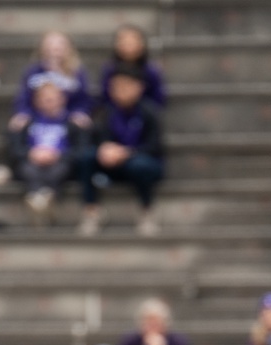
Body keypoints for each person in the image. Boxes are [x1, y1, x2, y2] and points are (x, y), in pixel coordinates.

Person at [78, 64, 164, 237]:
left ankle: (146, 212)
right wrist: (105, 149)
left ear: (139, 87)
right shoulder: (106, 112)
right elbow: (97, 139)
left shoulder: (149, 112)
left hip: (142, 162)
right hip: (113, 163)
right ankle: (92, 211)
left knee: (140, 166)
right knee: (87, 157)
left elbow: (154, 146)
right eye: (116, 87)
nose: (120, 91)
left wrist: (126, 152)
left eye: (125, 86)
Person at [10, 80, 79, 224]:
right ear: (36, 101)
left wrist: (58, 155)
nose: (48, 101)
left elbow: (79, 149)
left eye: (52, 98)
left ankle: (40, 200)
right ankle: (43, 200)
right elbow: (15, 148)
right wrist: (31, 153)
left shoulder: (72, 123)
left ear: (62, 99)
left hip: (60, 162)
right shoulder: (26, 122)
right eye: (44, 98)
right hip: (32, 162)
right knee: (28, 170)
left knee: (59, 170)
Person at [11, 32, 95, 136]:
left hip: (67, 119)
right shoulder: (33, 71)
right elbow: (24, 97)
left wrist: (80, 112)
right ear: (42, 48)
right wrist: (23, 113)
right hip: (37, 119)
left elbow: (83, 98)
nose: (54, 50)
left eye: (59, 46)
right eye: (50, 45)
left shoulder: (77, 73)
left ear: (68, 48)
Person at [99, 24, 166, 110]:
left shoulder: (151, 71)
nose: (128, 43)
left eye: (133, 40)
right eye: (123, 40)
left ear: (142, 44)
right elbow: (105, 98)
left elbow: (158, 99)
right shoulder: (109, 69)